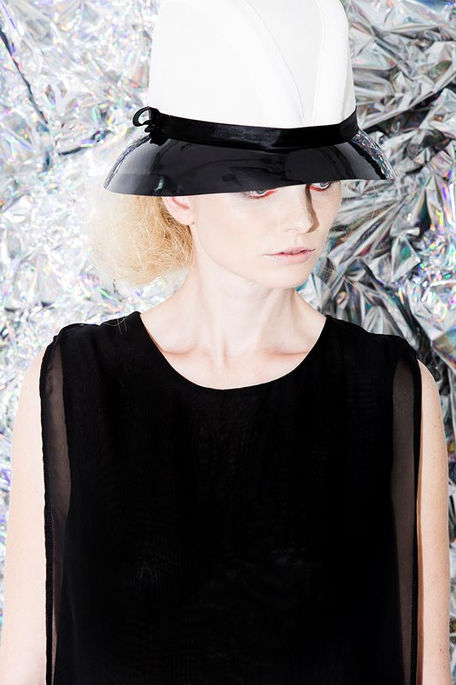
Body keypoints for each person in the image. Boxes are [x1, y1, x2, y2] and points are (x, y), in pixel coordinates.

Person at [0, 1, 450, 684]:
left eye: (320, 179)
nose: (302, 216)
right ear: (179, 196)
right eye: (259, 187)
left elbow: (426, 669)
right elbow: (25, 664)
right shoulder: (74, 385)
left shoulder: (390, 392)